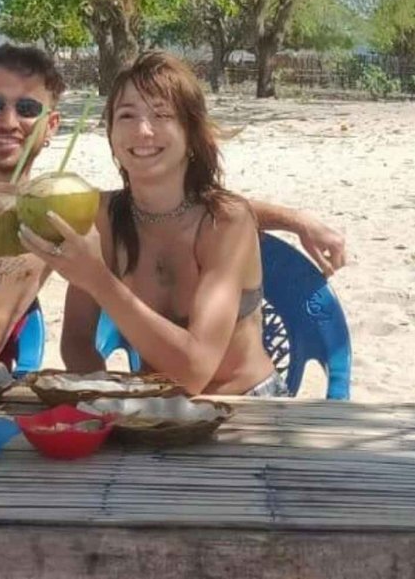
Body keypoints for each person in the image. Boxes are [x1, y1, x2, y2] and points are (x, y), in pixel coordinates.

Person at [0, 43, 344, 382]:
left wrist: (298, 220)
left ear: (53, 125)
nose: (8, 120)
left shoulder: (72, 215)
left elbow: (207, 209)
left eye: (27, 108)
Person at [20, 51, 288, 396]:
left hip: (247, 405)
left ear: (191, 133)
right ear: (112, 136)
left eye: (162, 115)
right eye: (127, 115)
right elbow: (76, 339)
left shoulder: (225, 222)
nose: (143, 131)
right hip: (154, 409)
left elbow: (194, 373)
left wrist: (98, 279)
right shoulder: (105, 216)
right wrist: (102, 394)